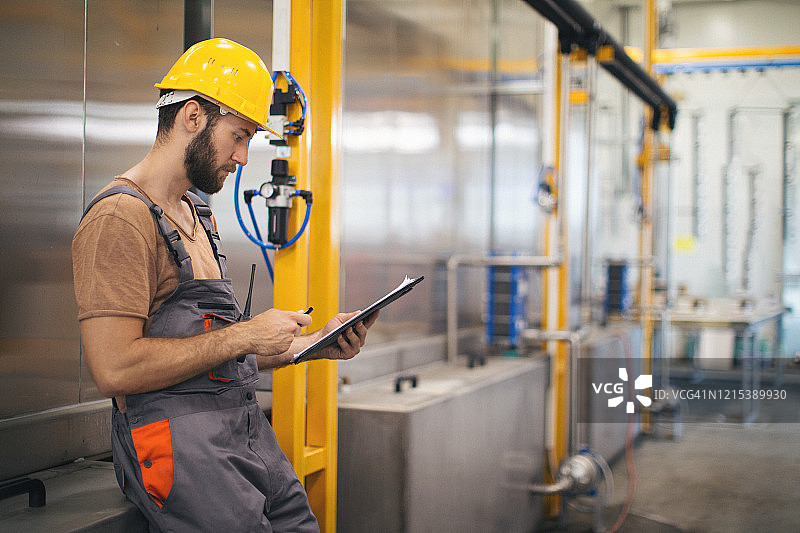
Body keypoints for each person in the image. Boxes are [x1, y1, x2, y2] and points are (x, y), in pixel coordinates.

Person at [71, 38, 377, 532]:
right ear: (193, 116)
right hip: (179, 448)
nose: (242, 156)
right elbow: (115, 368)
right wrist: (247, 334)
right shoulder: (120, 219)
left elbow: (217, 357)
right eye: (238, 135)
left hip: (243, 435)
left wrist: (314, 345)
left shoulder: (199, 214)